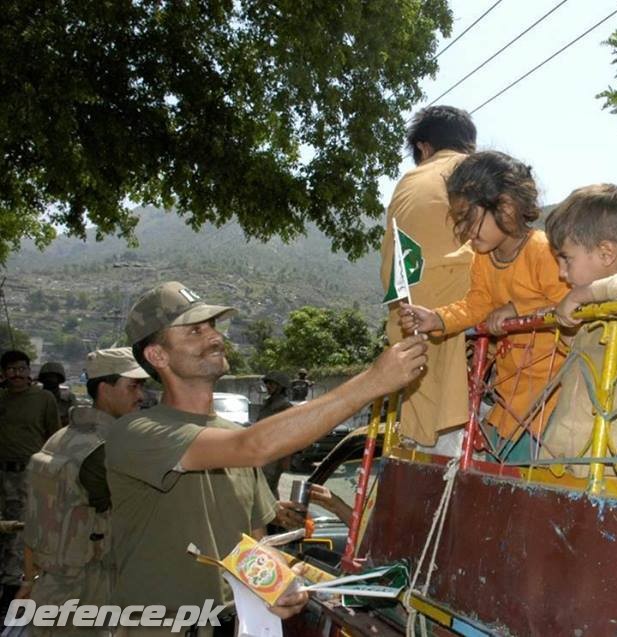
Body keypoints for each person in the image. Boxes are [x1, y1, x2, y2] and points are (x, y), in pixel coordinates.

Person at [105, 281, 425, 624]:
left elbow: (255, 544)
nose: (214, 337)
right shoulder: (136, 434)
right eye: (195, 331)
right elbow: (254, 447)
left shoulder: (232, 438)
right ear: (158, 355)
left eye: (212, 326)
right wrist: (372, 382)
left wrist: (278, 586)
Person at [401, 151, 570, 461]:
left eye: (468, 217)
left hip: (554, 398)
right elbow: (476, 304)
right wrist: (436, 319)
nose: (463, 230)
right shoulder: (482, 259)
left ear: (506, 207)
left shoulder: (542, 250)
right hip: (511, 400)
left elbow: (569, 305)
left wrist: (518, 310)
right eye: (458, 220)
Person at [19, 348, 149, 635]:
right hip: (90, 590)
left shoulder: (61, 439)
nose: (141, 396)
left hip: (51, 586)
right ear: (105, 388)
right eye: (133, 386)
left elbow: (34, 524)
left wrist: (29, 581)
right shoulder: (108, 450)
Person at [541, 184, 617, 477]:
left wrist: (579, 295)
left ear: (607, 253)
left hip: (614, 445)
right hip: (568, 435)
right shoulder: (594, 303)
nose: (561, 273)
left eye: (566, 259)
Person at [380, 105, 476, 453]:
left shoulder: (410, 182)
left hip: (415, 339)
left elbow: (393, 267)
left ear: (423, 148)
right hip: (476, 327)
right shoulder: (479, 172)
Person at [0, 350, 60, 609]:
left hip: (27, 474)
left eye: (22, 369)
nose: (17, 375)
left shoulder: (44, 399)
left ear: (29, 371)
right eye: (11, 370)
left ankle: (14, 586)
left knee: (20, 530)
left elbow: (54, 436)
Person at [258, 370, 293, 497]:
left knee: (268, 487)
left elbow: (290, 436)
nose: (268, 386)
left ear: (280, 387)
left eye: (271, 384)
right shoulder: (267, 404)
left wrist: (286, 459)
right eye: (267, 383)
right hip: (261, 451)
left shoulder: (285, 408)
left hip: (275, 454)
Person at [38, 360, 78, 427]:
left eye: (52, 377)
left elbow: (75, 419)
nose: (49, 379)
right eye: (46, 377)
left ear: (59, 379)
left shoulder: (68, 399)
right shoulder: (36, 397)